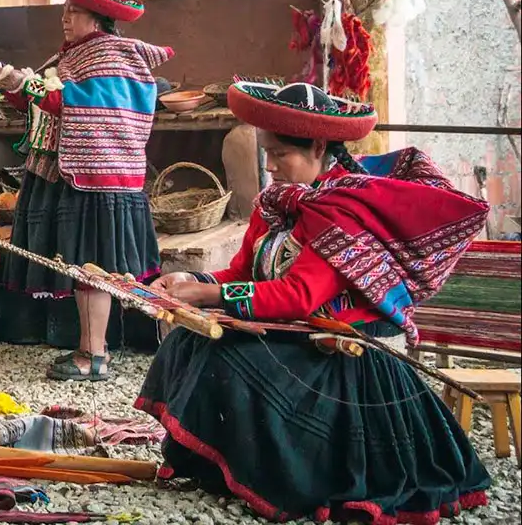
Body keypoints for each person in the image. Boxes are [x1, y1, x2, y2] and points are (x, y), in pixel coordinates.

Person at [137, 80, 492, 523]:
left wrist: (208, 295)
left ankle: (290, 479)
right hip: (298, 336)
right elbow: (243, 274)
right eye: (267, 153)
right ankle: (220, 469)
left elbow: (300, 295)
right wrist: (192, 281)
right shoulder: (278, 205)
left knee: (227, 360)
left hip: (346, 354)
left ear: (319, 148)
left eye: (281, 154)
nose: (270, 166)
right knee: (189, 341)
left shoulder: (343, 210)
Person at [0, 0, 173, 381]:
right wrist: (6, 82)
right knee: (83, 267)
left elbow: (72, 103)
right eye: (65, 9)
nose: (65, 17)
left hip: (96, 178)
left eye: (74, 11)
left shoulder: (110, 56)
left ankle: (95, 354)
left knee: (93, 268)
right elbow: (40, 100)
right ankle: (89, 348)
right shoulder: (75, 54)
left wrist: (15, 77)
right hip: (69, 175)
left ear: (97, 19)